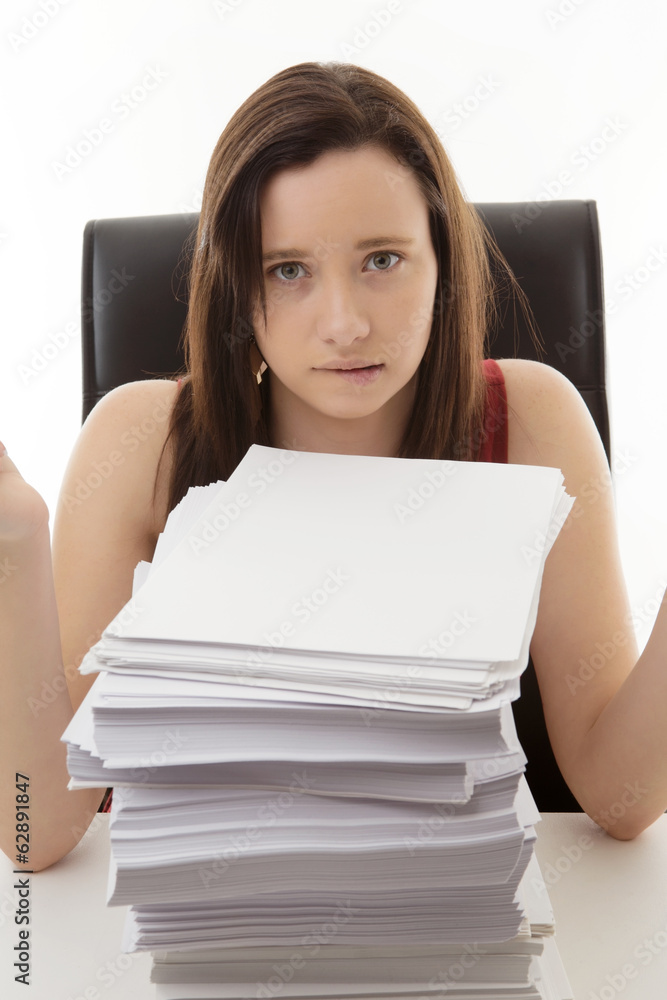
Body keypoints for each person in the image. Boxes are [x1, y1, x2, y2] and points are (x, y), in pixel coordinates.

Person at [1, 61, 665, 872]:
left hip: (454, 908)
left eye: (381, 260)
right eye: (288, 271)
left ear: (442, 262)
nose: (344, 324)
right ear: (236, 288)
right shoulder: (141, 441)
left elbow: (621, 797)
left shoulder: (531, 422)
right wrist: (15, 549)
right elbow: (36, 832)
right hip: (204, 913)